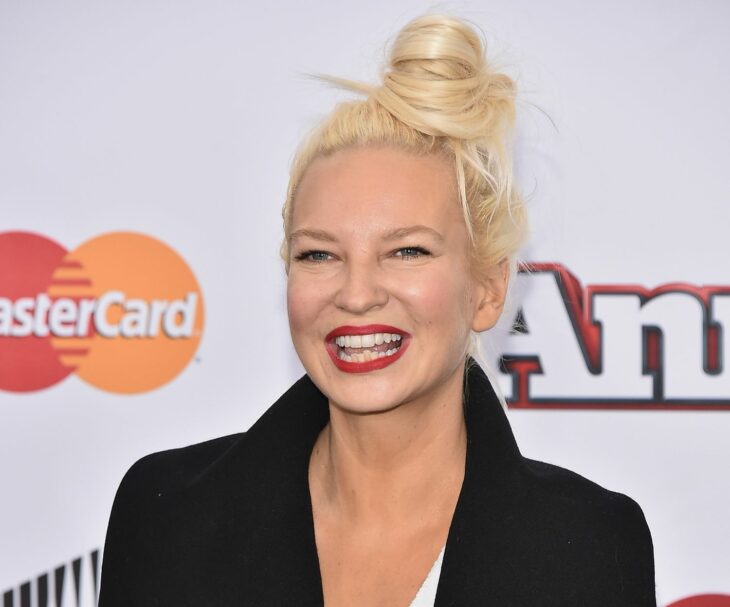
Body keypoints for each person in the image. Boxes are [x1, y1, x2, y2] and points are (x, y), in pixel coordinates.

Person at [98, 14, 656, 607]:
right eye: (318, 254)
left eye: (407, 250)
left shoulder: (592, 544)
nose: (356, 293)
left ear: (489, 289)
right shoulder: (165, 512)